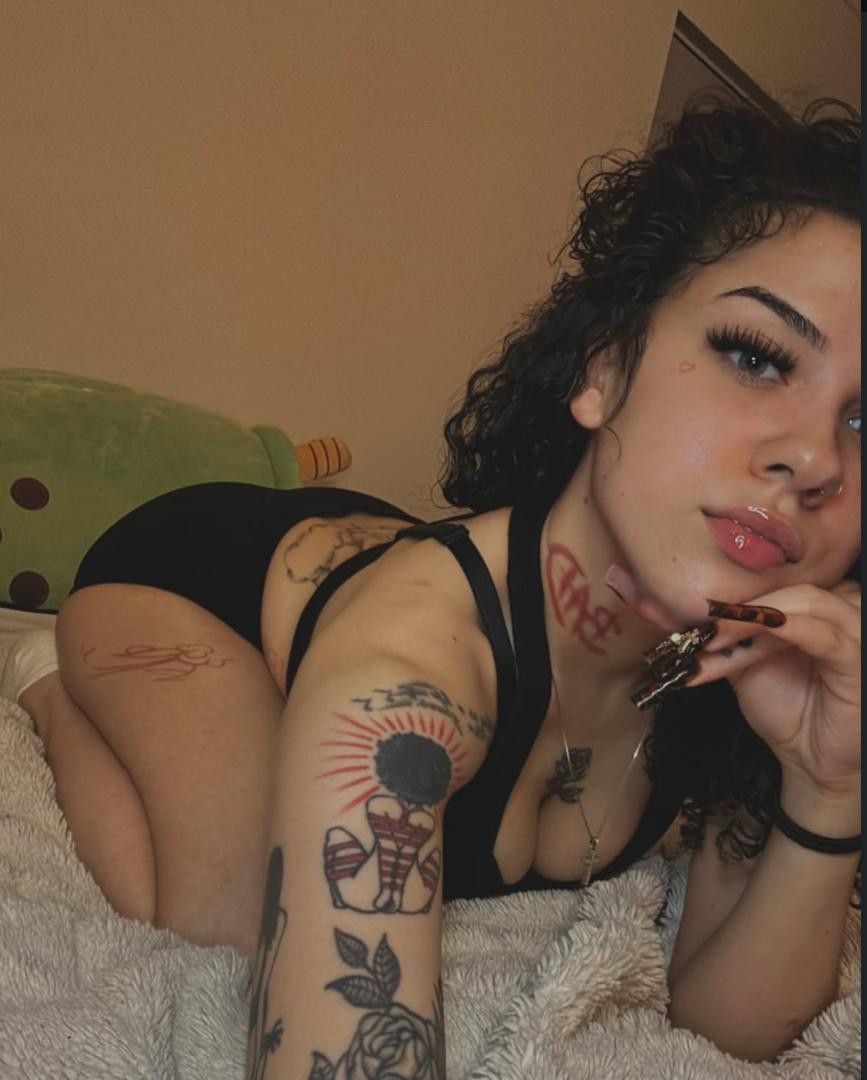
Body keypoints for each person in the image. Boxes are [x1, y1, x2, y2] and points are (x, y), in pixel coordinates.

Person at [6, 97, 860, 1073]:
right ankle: (47, 678)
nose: (814, 458)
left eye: (865, 420)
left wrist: (831, 787)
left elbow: (728, 1027)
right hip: (191, 580)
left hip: (364, 549)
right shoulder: (409, 664)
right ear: (605, 366)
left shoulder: (757, 666)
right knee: (235, 939)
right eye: (755, 356)